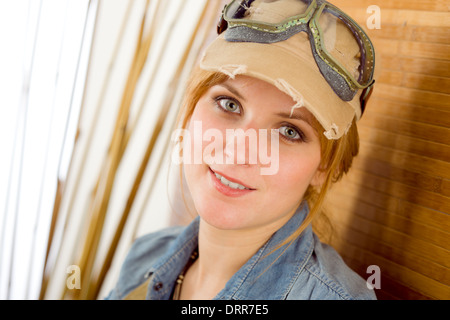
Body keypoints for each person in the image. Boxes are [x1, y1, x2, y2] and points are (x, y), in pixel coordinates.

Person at [106, 0, 377, 300]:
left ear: (324, 168)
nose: (238, 149)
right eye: (229, 104)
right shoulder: (145, 257)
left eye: (289, 131)